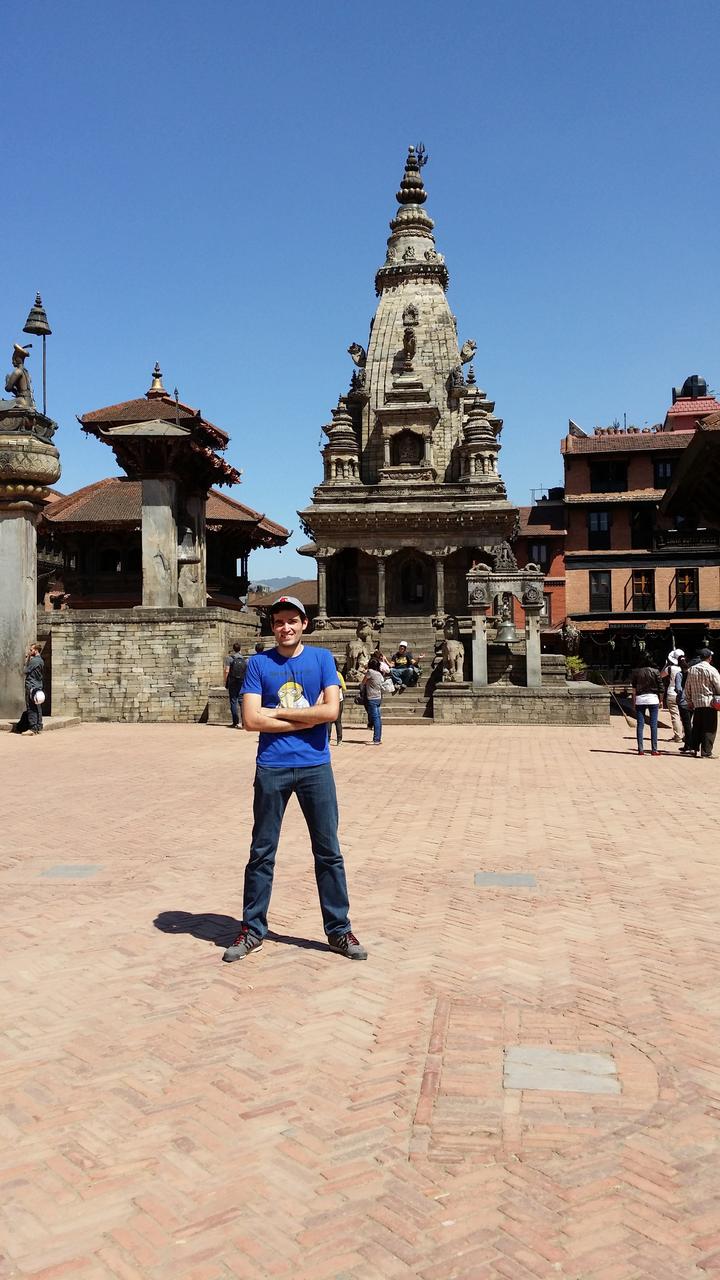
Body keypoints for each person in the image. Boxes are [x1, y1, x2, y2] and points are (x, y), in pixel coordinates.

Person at [222, 595, 367, 963]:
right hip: (271, 766)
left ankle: (338, 930)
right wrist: (308, 716)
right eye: (278, 622)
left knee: (329, 852)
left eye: (292, 620)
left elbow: (332, 711)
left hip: (315, 766)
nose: (285, 627)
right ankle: (252, 928)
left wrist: (276, 712)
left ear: (304, 624)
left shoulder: (322, 659)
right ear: (272, 628)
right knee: (261, 852)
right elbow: (251, 721)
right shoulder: (258, 664)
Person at [684, 647, 720, 759]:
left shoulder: (692, 670)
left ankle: (694, 749)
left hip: (696, 703)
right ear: (709, 658)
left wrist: (689, 700)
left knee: (697, 727)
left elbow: (687, 687)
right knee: (709, 728)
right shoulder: (711, 669)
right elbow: (718, 685)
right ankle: (706, 751)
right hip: (710, 703)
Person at [631, 659, 664, 756]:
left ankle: (640, 749)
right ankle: (654, 749)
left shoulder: (636, 672)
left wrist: (634, 702)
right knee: (653, 725)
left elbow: (633, 689)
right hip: (653, 699)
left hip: (640, 699)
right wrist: (661, 700)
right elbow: (661, 688)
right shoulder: (655, 672)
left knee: (640, 725)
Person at [223, 642, 247, 729]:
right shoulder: (244, 659)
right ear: (240, 649)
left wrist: (226, 681)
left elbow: (227, 671)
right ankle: (243, 722)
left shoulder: (229, 658)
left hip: (232, 681)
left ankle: (235, 722)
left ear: (233, 649)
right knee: (242, 701)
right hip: (241, 681)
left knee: (233, 700)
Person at [663, 648, 684, 744]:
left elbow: (660, 675)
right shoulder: (686, 668)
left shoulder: (670, 668)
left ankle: (678, 736)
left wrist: (665, 665)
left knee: (675, 715)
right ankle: (686, 734)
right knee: (684, 716)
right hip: (683, 694)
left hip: (672, 693)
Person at [362, 654, 384, 745]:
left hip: (372, 698)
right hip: (378, 697)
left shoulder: (370, 672)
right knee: (378, 718)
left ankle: (376, 739)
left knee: (375, 719)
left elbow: (363, 682)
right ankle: (378, 738)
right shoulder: (379, 673)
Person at [24, 643, 45, 735]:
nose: (30, 651)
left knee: (31, 707)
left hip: (32, 685)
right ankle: (39, 726)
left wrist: (28, 659)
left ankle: (33, 728)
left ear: (36, 650)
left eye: (31, 650)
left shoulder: (34, 661)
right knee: (37, 706)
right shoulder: (41, 661)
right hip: (38, 685)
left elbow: (25, 670)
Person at [675, 656, 694, 753]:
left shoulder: (679, 674)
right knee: (690, 723)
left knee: (686, 725)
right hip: (692, 701)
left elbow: (678, 688)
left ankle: (688, 745)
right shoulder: (692, 674)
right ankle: (690, 743)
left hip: (683, 702)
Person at [333, 657, 346, 744]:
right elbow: (344, 687)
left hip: (327, 700)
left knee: (328, 722)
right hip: (339, 699)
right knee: (338, 721)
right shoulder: (338, 674)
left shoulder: (323, 673)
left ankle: (327, 739)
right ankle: (339, 740)